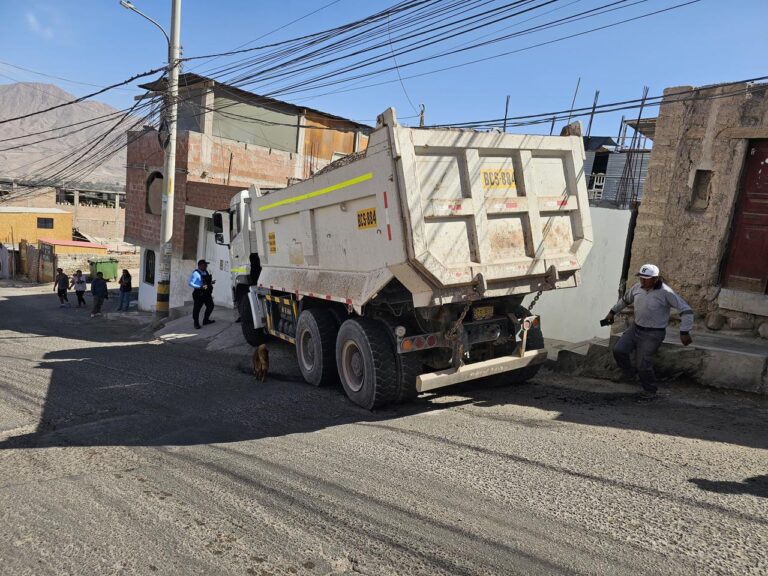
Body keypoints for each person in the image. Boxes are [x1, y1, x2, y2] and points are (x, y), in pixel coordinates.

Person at [604, 263, 693, 398]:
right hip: (636, 327)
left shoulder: (666, 292)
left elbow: (686, 309)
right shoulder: (637, 287)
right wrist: (612, 312)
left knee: (643, 363)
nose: (643, 281)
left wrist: (684, 331)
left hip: (653, 333)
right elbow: (625, 300)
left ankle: (650, 390)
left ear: (656, 278)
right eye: (641, 278)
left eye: (646, 278)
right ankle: (628, 374)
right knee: (619, 350)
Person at [188, 259, 215, 329]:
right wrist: (199, 286)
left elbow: (206, 282)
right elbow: (191, 283)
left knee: (211, 306)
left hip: (207, 293)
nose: (206, 266)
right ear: (200, 265)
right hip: (198, 294)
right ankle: (196, 323)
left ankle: (206, 320)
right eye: (205, 265)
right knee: (197, 309)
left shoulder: (205, 272)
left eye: (206, 265)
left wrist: (211, 283)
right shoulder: (196, 273)